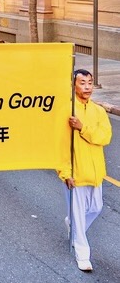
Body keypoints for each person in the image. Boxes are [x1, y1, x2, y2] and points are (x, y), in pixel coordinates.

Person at [58, 69, 112, 272]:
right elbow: (60, 144)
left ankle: (72, 226)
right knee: (79, 216)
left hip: (96, 171)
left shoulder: (98, 111)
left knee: (96, 208)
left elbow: (104, 138)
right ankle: (83, 255)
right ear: (73, 85)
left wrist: (83, 128)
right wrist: (65, 172)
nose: (87, 87)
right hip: (75, 172)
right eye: (82, 83)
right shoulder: (66, 110)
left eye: (90, 83)